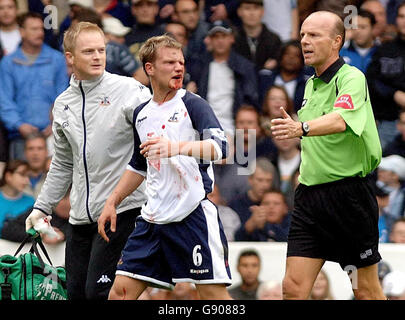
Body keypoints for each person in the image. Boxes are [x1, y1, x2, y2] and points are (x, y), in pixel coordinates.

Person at [97, 35, 232, 300]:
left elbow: (221, 147)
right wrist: (112, 201)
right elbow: (138, 165)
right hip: (152, 219)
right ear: (150, 68)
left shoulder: (193, 104)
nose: (179, 68)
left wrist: (176, 147)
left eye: (180, 62)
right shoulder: (141, 113)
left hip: (192, 215)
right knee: (119, 295)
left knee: (213, 297)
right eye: (170, 62)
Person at [24, 22, 152, 300]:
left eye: (101, 50)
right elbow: (62, 164)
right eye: (89, 51)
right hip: (79, 219)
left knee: (99, 294)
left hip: (123, 211)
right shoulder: (63, 103)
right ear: (70, 57)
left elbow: (157, 137)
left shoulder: (130, 90)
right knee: (76, 295)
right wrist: (41, 207)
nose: (97, 57)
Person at [271, 11, 386, 300]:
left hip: (348, 198)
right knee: (293, 288)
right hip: (310, 200)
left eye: (314, 35)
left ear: (336, 41)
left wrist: (301, 127)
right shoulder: (310, 84)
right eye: (302, 36)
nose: (304, 42)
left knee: (365, 291)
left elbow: (340, 120)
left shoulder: (351, 78)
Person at [0, 11, 69, 160]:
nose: (40, 33)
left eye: (41, 29)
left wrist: (55, 124)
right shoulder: (8, 63)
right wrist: (19, 125)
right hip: (20, 136)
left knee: (55, 181)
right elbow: (4, 100)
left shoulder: (56, 59)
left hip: (53, 134)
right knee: (21, 181)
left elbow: (64, 96)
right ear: (22, 32)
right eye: (34, 29)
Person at [188, 20, 259, 135]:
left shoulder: (245, 66)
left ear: (232, 38)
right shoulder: (199, 65)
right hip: (204, 127)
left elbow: (251, 99)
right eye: (216, 37)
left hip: (238, 127)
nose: (220, 41)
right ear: (209, 40)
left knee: (247, 153)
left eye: (224, 36)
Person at [366, 2, 405, 149]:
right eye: (401, 16)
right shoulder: (384, 50)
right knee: (378, 168)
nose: (404, 21)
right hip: (388, 121)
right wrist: (395, 94)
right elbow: (372, 80)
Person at [233, 0, 281, 71]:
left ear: (262, 11)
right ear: (239, 12)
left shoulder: (274, 40)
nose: (252, 13)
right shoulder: (232, 39)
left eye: (256, 8)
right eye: (247, 8)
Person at [0, 159, 34, 238]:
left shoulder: (31, 202)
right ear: (8, 176)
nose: (27, 180)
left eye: (28, 176)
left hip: (21, 249)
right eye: (22, 175)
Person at [340, 9, 378, 74]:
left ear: (373, 28)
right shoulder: (341, 51)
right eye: (354, 27)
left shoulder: (381, 51)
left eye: (362, 27)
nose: (357, 31)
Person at [23, 132, 49, 199]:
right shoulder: (16, 177)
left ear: (47, 152)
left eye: (40, 148)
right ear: (25, 152)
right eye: (30, 149)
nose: (35, 153)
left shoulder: (56, 176)